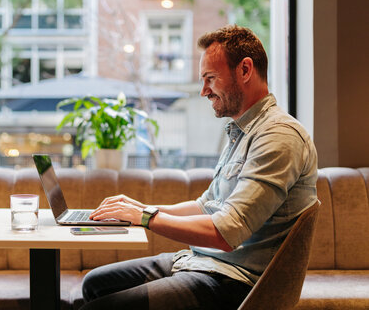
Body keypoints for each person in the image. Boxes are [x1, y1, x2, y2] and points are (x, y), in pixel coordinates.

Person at [80, 25, 318, 310]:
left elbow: (227, 232)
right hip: (202, 263)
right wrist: (141, 207)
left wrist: (145, 217)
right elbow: (207, 206)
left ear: (245, 70)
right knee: (94, 283)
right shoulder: (241, 132)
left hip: (234, 283)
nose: (204, 90)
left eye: (210, 78)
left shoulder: (279, 136)